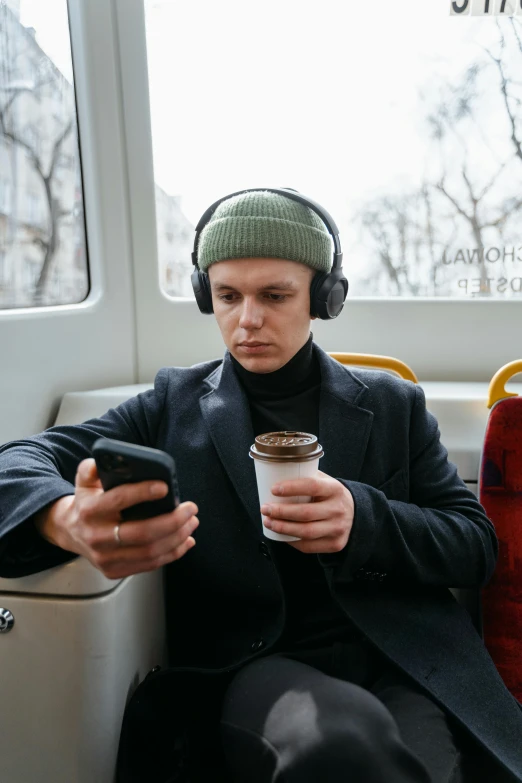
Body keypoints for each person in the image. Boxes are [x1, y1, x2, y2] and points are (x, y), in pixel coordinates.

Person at [0, 189, 521, 783]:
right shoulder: (172, 406)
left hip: (402, 661)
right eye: (227, 296)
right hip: (259, 666)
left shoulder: (393, 405)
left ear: (324, 299)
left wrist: (363, 519)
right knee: (342, 745)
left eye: (274, 296)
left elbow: (475, 545)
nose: (247, 320)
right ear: (207, 296)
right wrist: (62, 517)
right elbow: (17, 461)